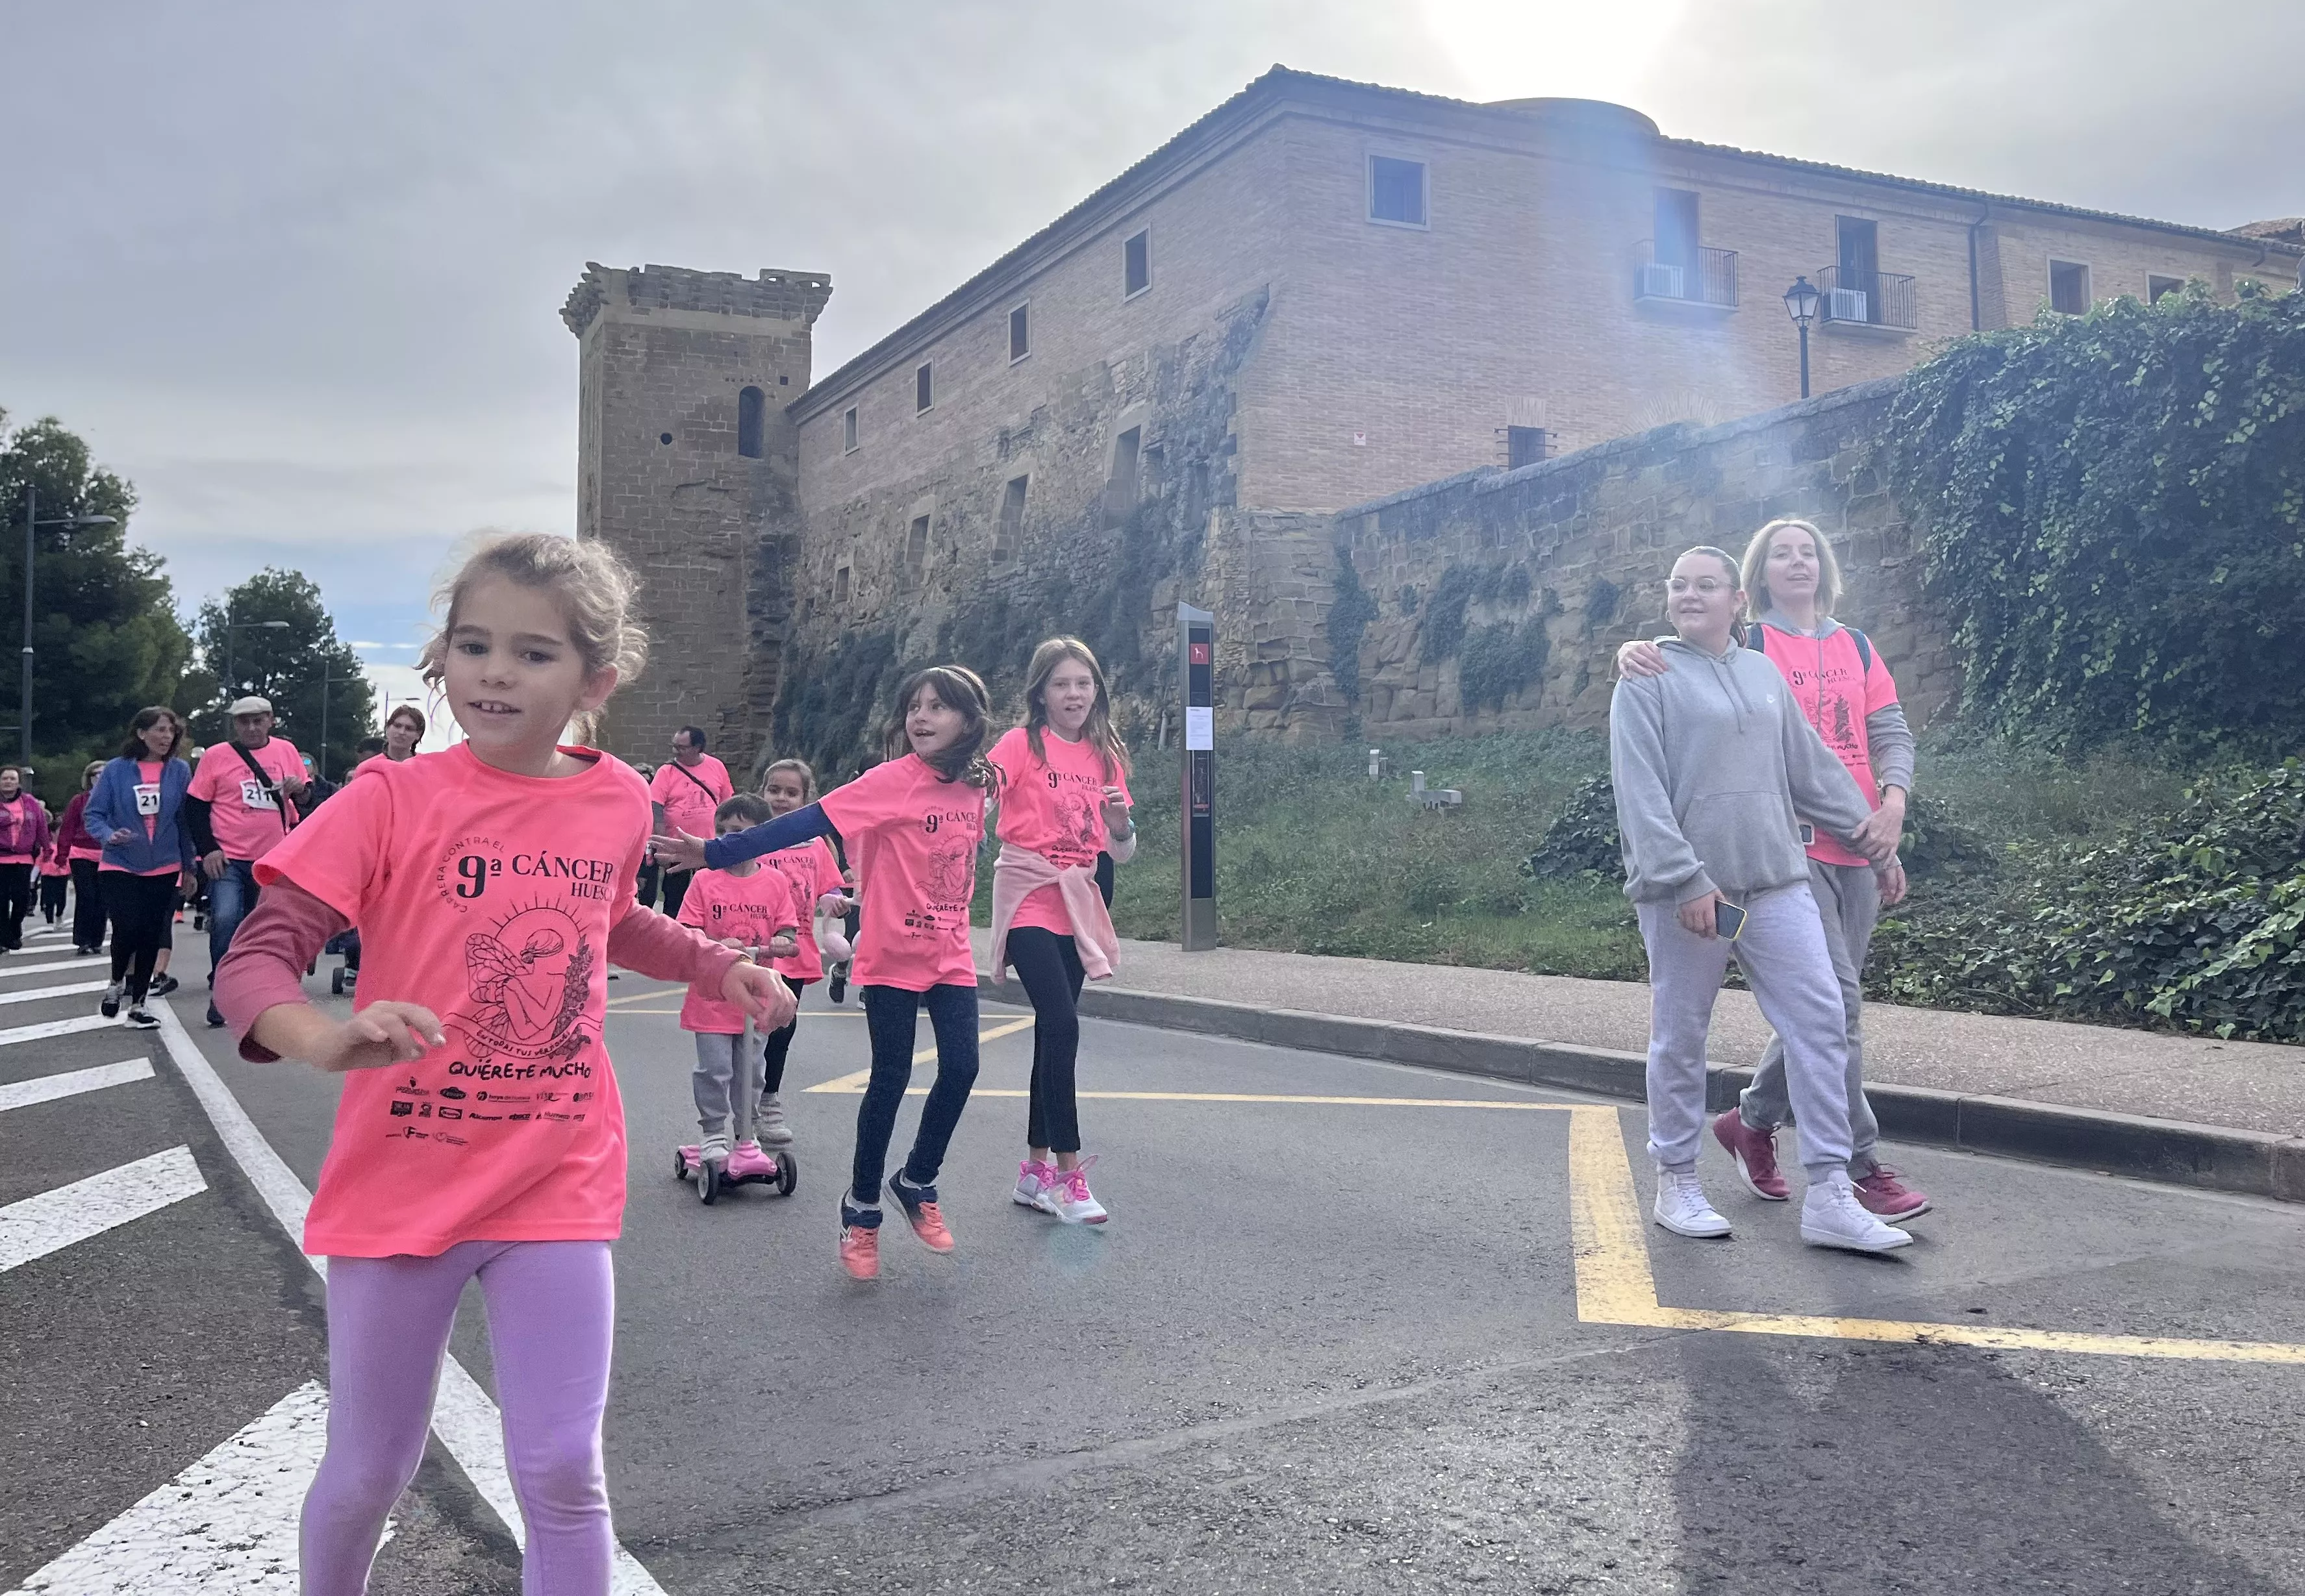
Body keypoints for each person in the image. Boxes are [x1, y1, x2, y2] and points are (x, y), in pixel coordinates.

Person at [212, 531, 795, 1595]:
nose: (494, 670)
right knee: (368, 1470)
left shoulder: (619, 795)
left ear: (594, 679)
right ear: (441, 660)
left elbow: (613, 921)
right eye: (474, 643)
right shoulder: (392, 797)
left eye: (532, 652)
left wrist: (718, 966)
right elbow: (256, 958)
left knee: (564, 1469)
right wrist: (324, 1037)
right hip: (402, 1182)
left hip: (554, 1173)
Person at [1617, 517, 1929, 1221]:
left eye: (1705, 585)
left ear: (1736, 600)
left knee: (1821, 1016)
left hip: (1777, 878)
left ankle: (1830, 1191)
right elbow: (1640, 793)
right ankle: (1676, 1182)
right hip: (1698, 893)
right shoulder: (1646, 678)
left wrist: (1882, 845)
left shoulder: (1763, 672)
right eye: (1678, 585)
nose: (1690, 595)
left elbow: (1815, 771)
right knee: (1683, 1029)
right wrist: (1687, 880)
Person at [655, 666, 996, 1282]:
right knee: (890, 1079)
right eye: (913, 706)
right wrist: (716, 851)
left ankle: (916, 1180)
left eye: (938, 707)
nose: (921, 716)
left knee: (964, 1067)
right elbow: (802, 823)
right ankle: (862, 1209)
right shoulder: (891, 781)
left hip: (950, 954)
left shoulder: (975, 787)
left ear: (968, 720)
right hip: (893, 956)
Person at [987, 638, 1137, 1225]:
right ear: (1040, 693)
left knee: (1053, 1035)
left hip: (1084, 896)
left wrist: (1121, 826)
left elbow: (1119, 851)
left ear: (1096, 688)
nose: (1073, 694)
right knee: (1063, 1024)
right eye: (1060, 684)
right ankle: (1070, 1178)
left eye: (1082, 683)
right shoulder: (1021, 744)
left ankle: (1033, 1172)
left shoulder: (1106, 755)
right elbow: (981, 795)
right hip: (1028, 892)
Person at [675, 793, 801, 1175]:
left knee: (752, 1070)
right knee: (714, 1069)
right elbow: (686, 930)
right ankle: (713, 1133)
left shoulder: (775, 882)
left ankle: (747, 1135)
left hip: (755, 998)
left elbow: (789, 932)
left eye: (741, 833)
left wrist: (782, 939)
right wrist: (715, 944)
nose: (730, 840)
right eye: (724, 832)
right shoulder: (704, 880)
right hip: (711, 996)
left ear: (761, 837)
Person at [186, 694, 309, 1027]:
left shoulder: (285, 751)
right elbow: (195, 807)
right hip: (229, 857)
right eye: (244, 721)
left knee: (263, 928)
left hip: (272, 859)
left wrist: (298, 789)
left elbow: (307, 799)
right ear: (235, 725)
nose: (252, 727)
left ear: (270, 720)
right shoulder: (216, 756)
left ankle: (258, 992)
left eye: (258, 720)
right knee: (226, 918)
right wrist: (208, 849)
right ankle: (222, 991)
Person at [748, 758, 851, 1147]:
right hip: (753, 950)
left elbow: (831, 889)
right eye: (774, 790)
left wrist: (834, 902)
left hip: (795, 951)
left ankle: (769, 1099)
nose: (781, 798)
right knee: (742, 1032)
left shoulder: (816, 846)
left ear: (806, 799)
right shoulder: (751, 838)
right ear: (763, 792)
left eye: (792, 793)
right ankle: (737, 1108)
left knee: (781, 1029)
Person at [82, 708, 199, 1029]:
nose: (167, 737)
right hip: (120, 862)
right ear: (141, 733)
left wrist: (189, 867)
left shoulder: (179, 771)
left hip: (164, 864)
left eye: (171, 731)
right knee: (126, 928)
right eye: (160, 730)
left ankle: (138, 1004)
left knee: (151, 933)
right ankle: (116, 982)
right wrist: (109, 835)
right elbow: (94, 814)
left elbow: (184, 821)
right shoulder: (117, 771)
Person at [647, 725, 731, 919]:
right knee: (674, 898)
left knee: (712, 895)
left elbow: (727, 802)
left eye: (682, 747)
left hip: (709, 844)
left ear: (698, 747)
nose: (676, 751)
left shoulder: (716, 766)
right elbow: (656, 806)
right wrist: (660, 842)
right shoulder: (667, 771)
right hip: (677, 846)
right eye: (674, 746)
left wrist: (727, 836)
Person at [55, 761, 110, 956]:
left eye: (105, 774)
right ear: (89, 778)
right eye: (97, 775)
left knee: (103, 899)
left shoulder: (117, 800)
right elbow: (68, 828)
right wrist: (62, 854)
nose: (101, 778)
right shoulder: (79, 801)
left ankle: (97, 940)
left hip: (109, 855)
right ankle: (83, 940)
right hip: (82, 854)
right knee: (86, 897)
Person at [0, 767, 53, 951]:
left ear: (18, 782)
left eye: (12, 779)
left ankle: (15, 930)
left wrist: (47, 848)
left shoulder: (29, 802)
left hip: (23, 858)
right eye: (5, 778)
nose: (8, 782)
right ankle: (4, 938)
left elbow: (41, 827)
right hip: (1, 858)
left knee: (22, 899)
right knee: (1, 899)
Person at [38, 809, 69, 925]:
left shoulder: (65, 847)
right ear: (53, 833)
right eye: (59, 831)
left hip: (62, 875)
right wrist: (33, 878)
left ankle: (59, 914)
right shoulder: (46, 847)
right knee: (49, 900)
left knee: (61, 900)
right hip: (48, 875)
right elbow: (38, 862)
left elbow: (69, 862)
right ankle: (49, 921)